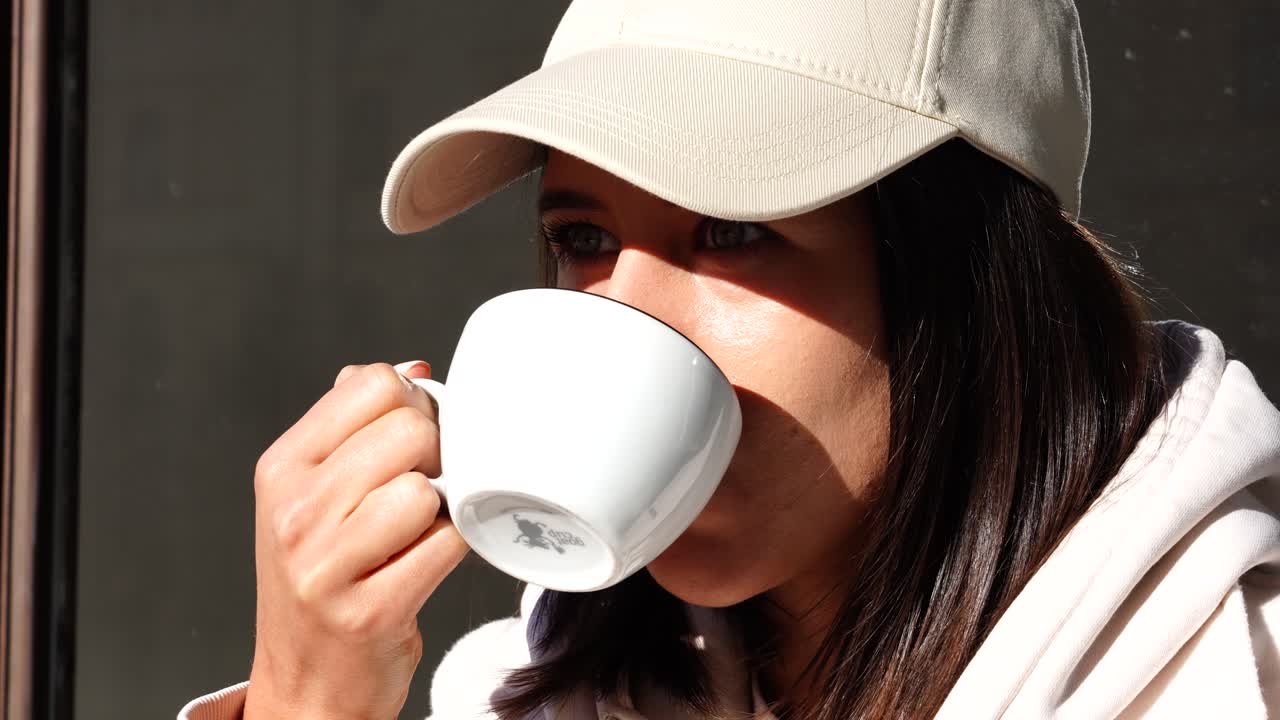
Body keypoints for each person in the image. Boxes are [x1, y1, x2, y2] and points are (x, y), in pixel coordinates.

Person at [180, 0, 1280, 718]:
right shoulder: (519, 691)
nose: (628, 317)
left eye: (736, 229)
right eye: (585, 239)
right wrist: (304, 700)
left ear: (976, 287)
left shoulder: (1237, 677)